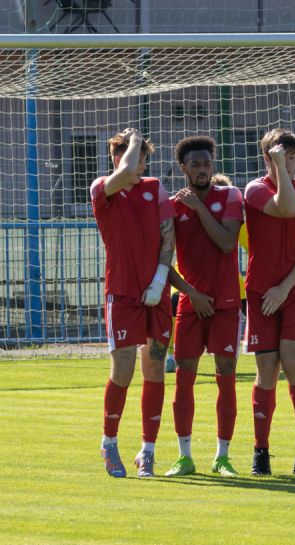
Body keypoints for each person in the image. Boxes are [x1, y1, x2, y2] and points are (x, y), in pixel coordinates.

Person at [91, 127, 176, 478]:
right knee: (123, 370)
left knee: (155, 369)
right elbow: (124, 173)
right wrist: (135, 139)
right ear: (117, 158)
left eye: (143, 157)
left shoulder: (155, 189)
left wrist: (159, 279)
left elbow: (168, 237)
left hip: (155, 296)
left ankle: (148, 451)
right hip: (122, 293)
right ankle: (109, 443)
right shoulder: (102, 188)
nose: (140, 163)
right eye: (134, 155)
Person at [162, 137, 244, 478]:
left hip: (225, 304)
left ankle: (222, 457)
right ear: (184, 168)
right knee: (183, 379)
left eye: (206, 164)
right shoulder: (169, 206)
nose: (202, 169)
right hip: (191, 304)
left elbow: (227, 244)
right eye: (195, 165)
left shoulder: (230, 196)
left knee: (226, 378)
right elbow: (162, 262)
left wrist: (198, 207)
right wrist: (190, 293)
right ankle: (184, 456)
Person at [243, 128, 295, 475]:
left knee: (292, 362)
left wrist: (285, 288)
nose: (288, 164)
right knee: (266, 371)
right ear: (268, 159)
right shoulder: (256, 190)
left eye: (292, 157)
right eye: (281, 158)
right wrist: (276, 170)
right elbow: (285, 207)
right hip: (261, 290)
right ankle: (261, 450)